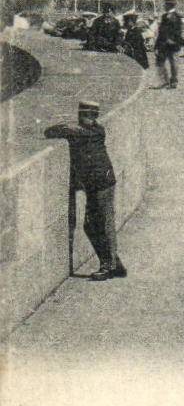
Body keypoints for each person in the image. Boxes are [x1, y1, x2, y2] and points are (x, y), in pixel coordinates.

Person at [45, 101, 126, 281]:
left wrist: (65, 126)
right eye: (82, 116)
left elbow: (56, 131)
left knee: (103, 224)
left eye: (88, 116)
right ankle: (114, 262)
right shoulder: (88, 132)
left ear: (94, 117)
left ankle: (109, 266)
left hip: (102, 184)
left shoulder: (91, 132)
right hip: (95, 185)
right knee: (92, 226)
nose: (84, 119)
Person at [153, 0, 183, 89]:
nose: (164, 6)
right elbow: (161, 31)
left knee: (173, 62)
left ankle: (174, 81)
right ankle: (164, 81)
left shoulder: (177, 17)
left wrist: (173, 40)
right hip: (163, 43)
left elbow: (178, 31)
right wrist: (157, 45)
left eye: (165, 5)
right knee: (159, 61)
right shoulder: (164, 16)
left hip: (172, 43)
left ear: (170, 5)